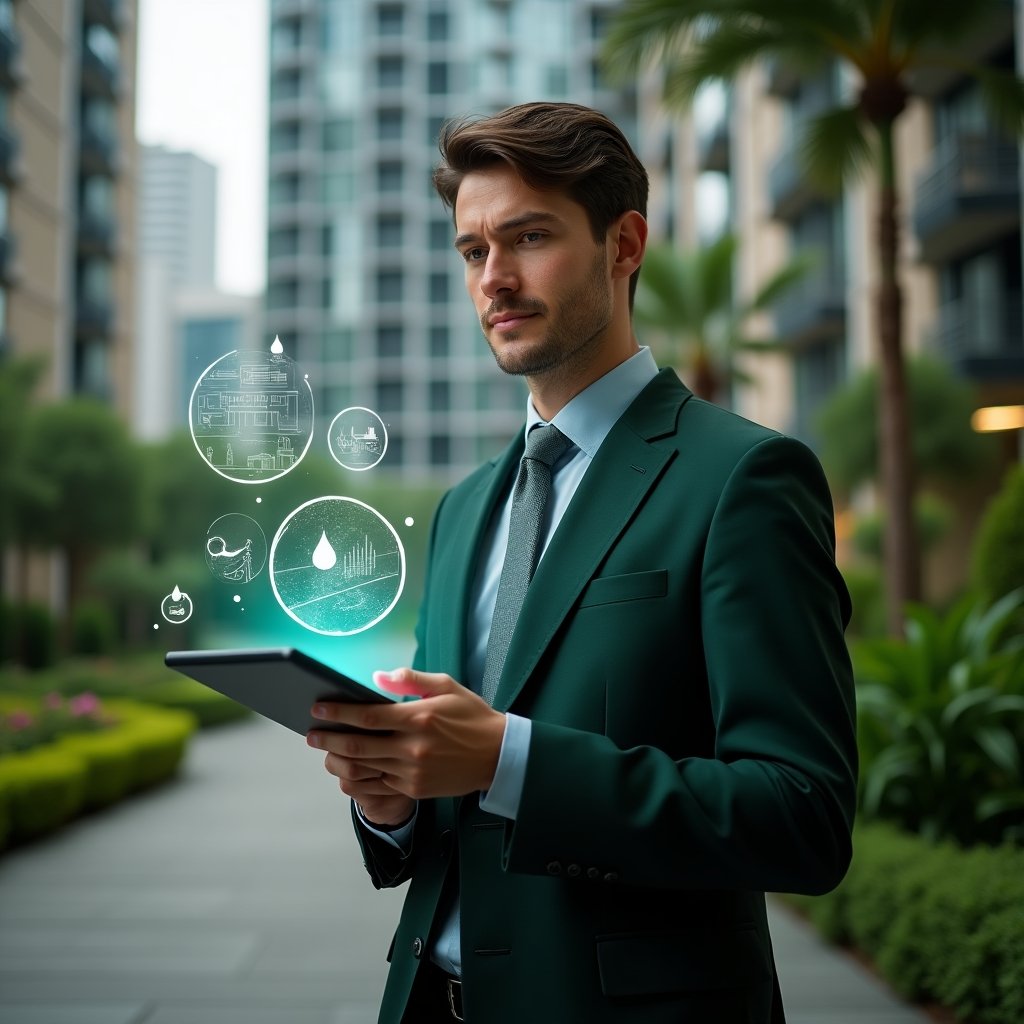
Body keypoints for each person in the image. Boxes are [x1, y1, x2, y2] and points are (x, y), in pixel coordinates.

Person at [306, 101, 857, 1024]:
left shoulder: (745, 478)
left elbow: (801, 815)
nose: (495, 278)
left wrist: (508, 759)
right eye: (474, 251)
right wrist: (390, 798)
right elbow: (447, 810)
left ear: (623, 244)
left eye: (529, 237)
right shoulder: (464, 508)